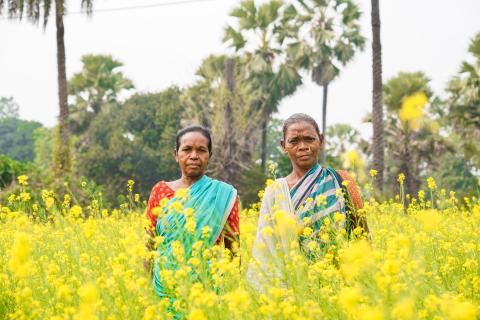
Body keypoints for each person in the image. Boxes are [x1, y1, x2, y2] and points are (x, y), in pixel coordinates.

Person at [248, 113, 367, 288]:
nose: (302, 146)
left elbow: (363, 237)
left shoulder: (342, 180)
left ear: (321, 141)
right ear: (283, 146)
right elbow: (266, 248)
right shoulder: (275, 192)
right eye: (294, 141)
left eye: (309, 139)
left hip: (341, 285)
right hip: (293, 289)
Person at [144, 125, 239, 298]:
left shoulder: (222, 194)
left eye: (201, 150)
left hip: (208, 290)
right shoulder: (160, 191)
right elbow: (150, 245)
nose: (194, 156)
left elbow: (233, 249)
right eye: (187, 149)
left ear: (209, 156)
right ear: (176, 154)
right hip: (164, 288)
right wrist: (147, 293)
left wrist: (232, 296)